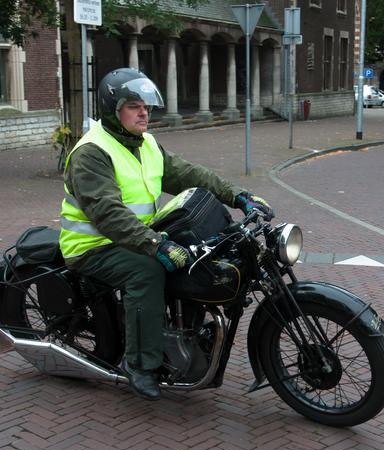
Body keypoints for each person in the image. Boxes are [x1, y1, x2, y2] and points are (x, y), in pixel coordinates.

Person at [59, 68, 272, 400]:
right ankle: (139, 364)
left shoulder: (144, 143)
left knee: (198, 256)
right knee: (146, 272)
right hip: (93, 245)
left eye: (146, 106)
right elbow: (108, 214)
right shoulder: (92, 153)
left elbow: (188, 174)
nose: (144, 113)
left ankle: (186, 328)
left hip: (134, 236)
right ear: (112, 111)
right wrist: (155, 245)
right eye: (134, 106)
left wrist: (237, 196)